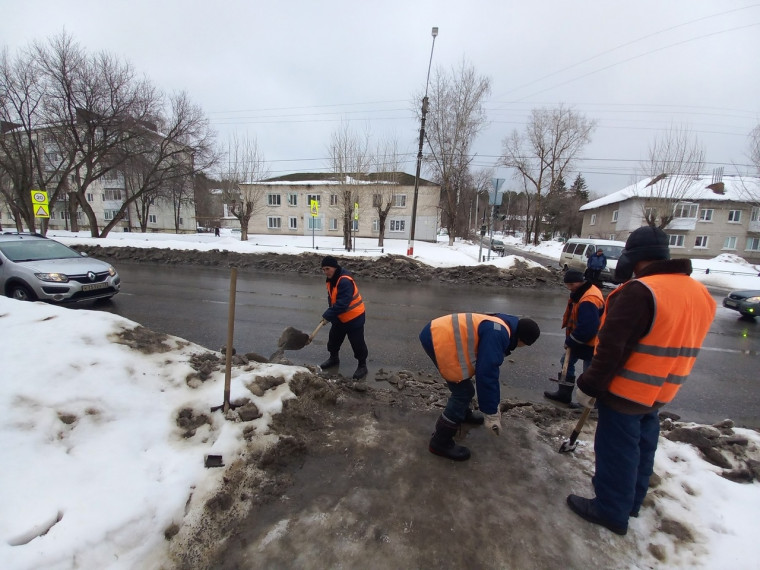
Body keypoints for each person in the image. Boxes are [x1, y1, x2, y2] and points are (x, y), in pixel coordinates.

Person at [567, 226, 716, 536]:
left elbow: (611, 347)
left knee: (617, 450)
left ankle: (611, 510)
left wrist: (589, 384)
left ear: (635, 257)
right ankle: (631, 501)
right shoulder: (698, 291)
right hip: (662, 389)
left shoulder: (641, 291)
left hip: (627, 389)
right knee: (642, 447)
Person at [419, 313, 541, 461]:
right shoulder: (498, 334)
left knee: (465, 386)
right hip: (438, 339)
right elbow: (487, 373)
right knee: (463, 393)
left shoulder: (504, 324)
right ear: (522, 340)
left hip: (438, 332)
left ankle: (462, 414)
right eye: (524, 345)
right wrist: (491, 413)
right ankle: (440, 441)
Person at [544, 269, 604, 406]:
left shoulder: (589, 299)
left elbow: (588, 327)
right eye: (567, 285)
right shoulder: (581, 292)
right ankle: (564, 394)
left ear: (580, 281)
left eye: (571, 285)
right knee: (566, 361)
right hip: (583, 339)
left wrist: (571, 340)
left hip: (593, 342)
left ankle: (587, 404)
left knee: (589, 372)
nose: (569, 288)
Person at [319, 255, 369, 380]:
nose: (325, 272)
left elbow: (342, 303)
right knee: (333, 340)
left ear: (335, 267)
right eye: (323, 269)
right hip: (339, 317)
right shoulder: (330, 280)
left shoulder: (345, 280)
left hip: (354, 318)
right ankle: (333, 359)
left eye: (327, 269)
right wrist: (331, 314)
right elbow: (332, 298)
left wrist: (327, 315)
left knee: (358, 344)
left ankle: (362, 365)